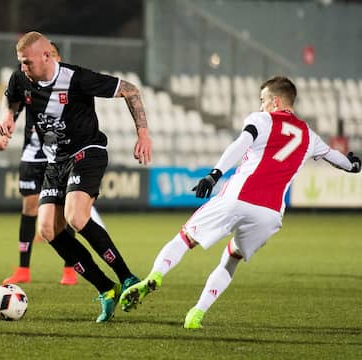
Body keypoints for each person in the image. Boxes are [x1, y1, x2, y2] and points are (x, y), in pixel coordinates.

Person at [119, 76, 361, 329]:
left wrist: (214, 175)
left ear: (275, 101)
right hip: (270, 214)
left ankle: (155, 276)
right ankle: (196, 314)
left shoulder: (262, 119)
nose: (260, 106)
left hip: (238, 197)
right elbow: (339, 159)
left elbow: (240, 144)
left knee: (185, 238)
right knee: (231, 257)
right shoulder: (309, 136)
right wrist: (354, 165)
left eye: (262, 100)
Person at [0, 31, 153, 323]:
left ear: (47, 56)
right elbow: (12, 98)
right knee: (46, 229)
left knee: (76, 217)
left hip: (87, 152)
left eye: (27, 62)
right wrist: (8, 116)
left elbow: (130, 90)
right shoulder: (20, 78)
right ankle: (106, 288)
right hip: (55, 162)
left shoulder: (77, 78)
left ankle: (127, 278)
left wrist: (143, 134)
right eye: (20, 62)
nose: (23, 68)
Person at [0, 41, 106, 286]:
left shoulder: (65, 83)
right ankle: (23, 268)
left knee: (66, 213)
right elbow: (13, 104)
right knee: (29, 208)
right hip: (32, 154)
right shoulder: (27, 81)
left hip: (61, 156)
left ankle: (69, 268)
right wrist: (5, 131)